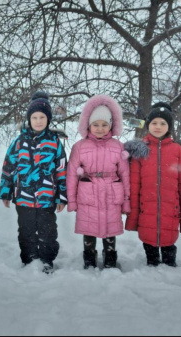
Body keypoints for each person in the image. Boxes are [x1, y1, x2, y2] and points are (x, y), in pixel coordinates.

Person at [0, 91, 67, 274]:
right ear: (29, 119)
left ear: (48, 119)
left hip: (47, 198)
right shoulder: (19, 142)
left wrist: (62, 196)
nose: (38, 121)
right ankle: (29, 259)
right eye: (34, 117)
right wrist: (6, 191)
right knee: (26, 231)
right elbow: (8, 167)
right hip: (23, 198)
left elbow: (61, 170)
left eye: (42, 117)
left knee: (48, 232)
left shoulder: (54, 143)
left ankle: (46, 260)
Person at [125, 102, 181, 267]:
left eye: (163, 123)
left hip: (171, 207)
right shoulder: (140, 150)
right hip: (146, 207)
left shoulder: (177, 151)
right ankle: (152, 262)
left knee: (168, 236)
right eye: (154, 123)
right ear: (148, 125)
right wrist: (133, 213)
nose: (158, 127)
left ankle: (169, 262)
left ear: (169, 127)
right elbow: (134, 185)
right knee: (148, 235)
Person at [67, 95, 131, 269]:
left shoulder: (118, 146)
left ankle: (110, 256)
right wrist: (71, 200)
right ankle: (89, 257)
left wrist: (126, 201)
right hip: (88, 194)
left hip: (112, 194)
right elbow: (72, 174)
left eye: (104, 124)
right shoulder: (79, 147)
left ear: (111, 125)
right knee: (89, 229)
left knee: (110, 228)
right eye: (96, 124)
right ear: (88, 125)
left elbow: (125, 175)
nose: (100, 129)